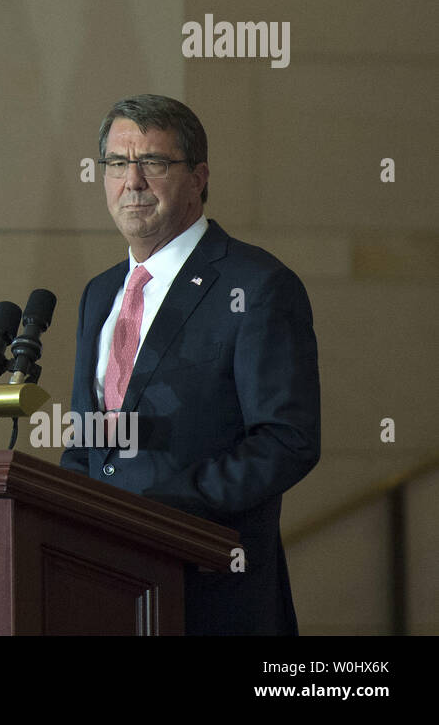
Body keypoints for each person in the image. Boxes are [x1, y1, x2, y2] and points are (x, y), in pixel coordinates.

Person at [61, 94, 320, 635]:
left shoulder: (256, 285)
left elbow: (285, 440)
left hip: (212, 599)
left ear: (198, 177)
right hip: (102, 594)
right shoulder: (100, 293)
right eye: (115, 163)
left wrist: (165, 505)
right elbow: (88, 444)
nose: (132, 181)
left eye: (153, 163)